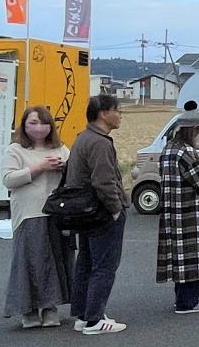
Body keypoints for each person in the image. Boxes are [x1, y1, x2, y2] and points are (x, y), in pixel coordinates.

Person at [2, 106, 74, 328]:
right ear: (23, 125)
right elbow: (8, 179)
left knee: (55, 261)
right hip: (28, 214)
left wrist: (64, 168)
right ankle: (28, 311)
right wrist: (39, 167)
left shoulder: (61, 149)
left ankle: (50, 308)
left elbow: (75, 176)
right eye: (32, 122)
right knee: (28, 262)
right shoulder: (15, 150)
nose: (39, 127)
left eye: (44, 123)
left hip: (55, 213)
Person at [66, 94, 128, 335]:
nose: (120, 115)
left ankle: (83, 315)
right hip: (101, 212)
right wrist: (115, 209)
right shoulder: (101, 142)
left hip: (85, 212)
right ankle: (94, 320)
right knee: (104, 266)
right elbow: (104, 182)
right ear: (104, 113)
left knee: (86, 263)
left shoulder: (83, 138)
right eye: (117, 110)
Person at [156, 109, 199, 314]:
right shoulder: (185, 152)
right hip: (190, 213)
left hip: (172, 212)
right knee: (194, 260)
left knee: (179, 260)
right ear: (193, 130)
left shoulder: (168, 149)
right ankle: (188, 302)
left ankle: (182, 299)